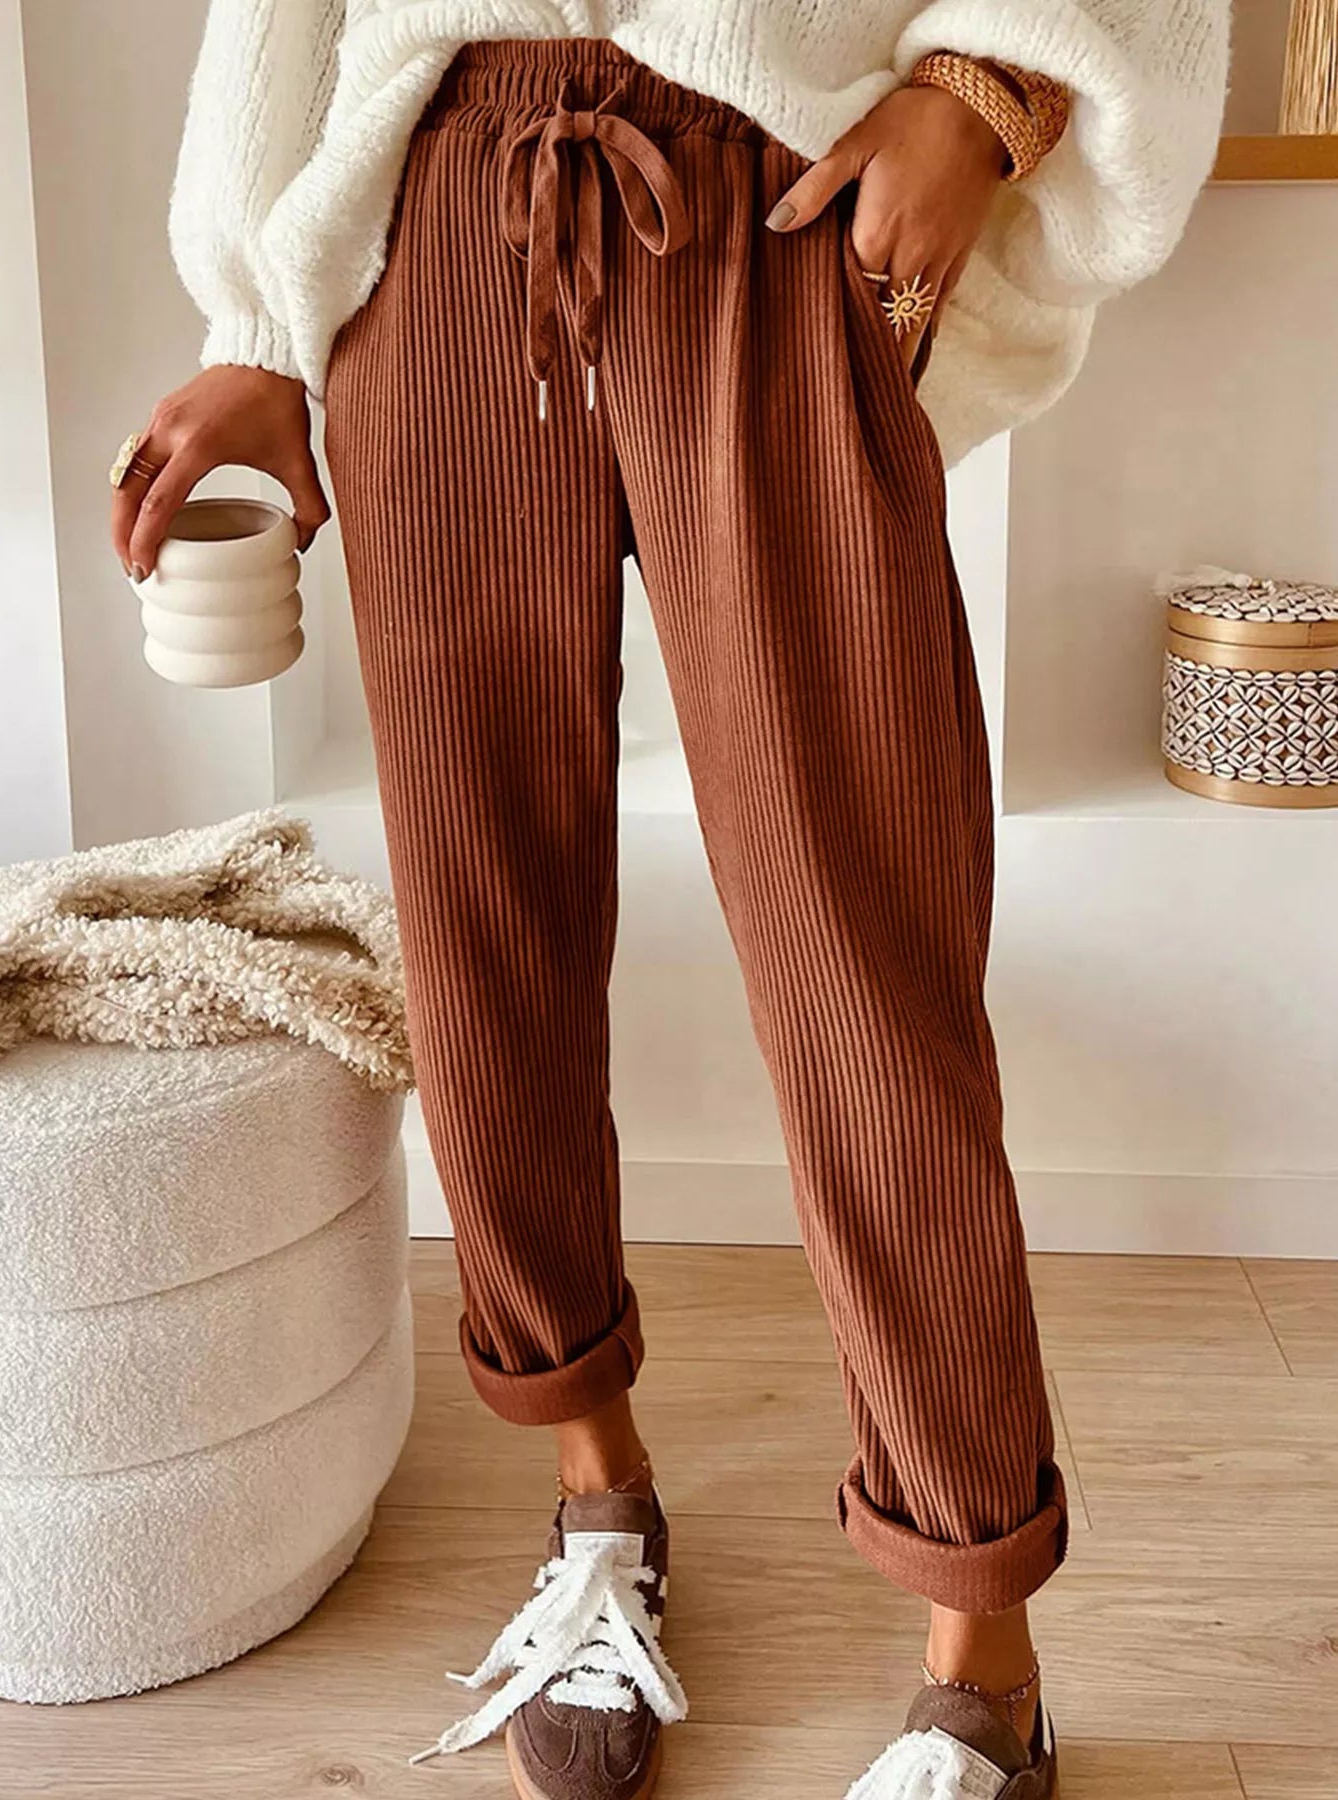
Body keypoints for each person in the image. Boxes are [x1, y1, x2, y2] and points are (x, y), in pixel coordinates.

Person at [110, 7, 1229, 1798]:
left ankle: (981, 1661)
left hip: (779, 218)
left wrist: (986, 93)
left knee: (865, 955)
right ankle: (593, 1505)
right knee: (487, 930)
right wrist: (258, 326)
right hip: (439, 224)